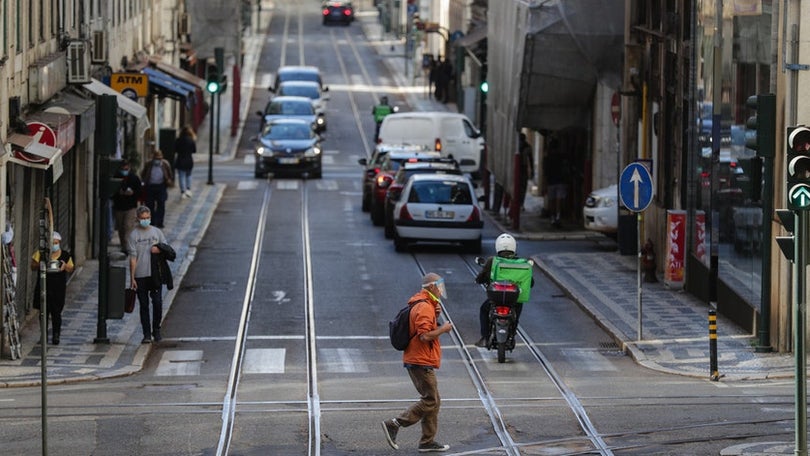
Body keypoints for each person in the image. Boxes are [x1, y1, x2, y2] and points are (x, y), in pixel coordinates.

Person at [381, 272, 453, 453]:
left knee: (434, 401)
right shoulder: (424, 307)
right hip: (420, 360)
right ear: (431, 287)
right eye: (439, 286)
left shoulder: (427, 304)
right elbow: (424, 336)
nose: (441, 290)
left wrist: (435, 316)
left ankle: (427, 442)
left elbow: (425, 329)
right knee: (430, 400)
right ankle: (395, 423)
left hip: (420, 359)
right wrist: (443, 329)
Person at [474, 233, 534, 348]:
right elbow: (530, 282)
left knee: (484, 310)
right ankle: (512, 332)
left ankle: (485, 338)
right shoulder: (522, 263)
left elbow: (482, 277)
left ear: (498, 247)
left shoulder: (493, 261)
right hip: (514, 299)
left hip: (496, 299)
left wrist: (479, 280)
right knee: (517, 310)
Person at [128, 206, 168, 344]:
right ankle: (146, 333)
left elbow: (167, 249)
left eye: (147, 218)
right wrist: (132, 278)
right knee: (143, 305)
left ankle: (156, 329)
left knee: (157, 302)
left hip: (155, 274)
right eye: (143, 218)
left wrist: (159, 249)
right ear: (138, 219)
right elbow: (132, 258)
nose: (145, 220)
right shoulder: (134, 235)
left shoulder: (157, 232)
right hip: (140, 275)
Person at [30, 231, 74, 345]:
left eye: (56, 243)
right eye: (52, 243)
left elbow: (71, 268)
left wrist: (65, 267)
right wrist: (41, 264)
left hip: (58, 290)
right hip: (44, 287)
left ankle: (56, 335)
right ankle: (43, 335)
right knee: (43, 313)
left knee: (56, 313)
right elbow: (33, 266)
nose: (54, 245)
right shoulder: (41, 253)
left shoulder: (65, 255)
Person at [112, 159, 143, 253]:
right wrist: (119, 193)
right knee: (121, 228)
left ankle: (128, 246)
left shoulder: (134, 178)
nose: (124, 170)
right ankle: (124, 245)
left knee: (128, 226)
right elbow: (112, 192)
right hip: (119, 207)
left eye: (126, 168)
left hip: (131, 207)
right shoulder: (116, 177)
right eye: (123, 168)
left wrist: (133, 193)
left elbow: (139, 191)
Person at [140, 150, 173, 228]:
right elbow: (143, 174)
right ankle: (152, 221)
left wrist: (168, 181)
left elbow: (170, 174)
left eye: (159, 158)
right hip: (150, 186)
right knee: (149, 204)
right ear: (153, 158)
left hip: (161, 186)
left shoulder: (165, 164)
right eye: (156, 158)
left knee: (161, 204)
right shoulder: (148, 164)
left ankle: (160, 222)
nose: (157, 160)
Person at [543, 140, 569, 227]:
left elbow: (545, 172)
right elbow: (565, 168)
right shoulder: (562, 157)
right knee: (559, 200)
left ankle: (553, 216)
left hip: (551, 181)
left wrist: (544, 184)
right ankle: (558, 216)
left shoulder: (547, 158)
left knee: (552, 200)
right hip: (560, 181)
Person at [174, 125, 197, 199]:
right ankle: (188, 189)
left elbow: (175, 150)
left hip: (180, 159)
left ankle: (183, 191)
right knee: (188, 175)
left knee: (181, 176)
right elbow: (194, 150)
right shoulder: (191, 140)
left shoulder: (178, 140)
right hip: (189, 160)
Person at [517, 133, 534, 210]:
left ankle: (520, 204)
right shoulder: (526, 147)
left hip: (522, 168)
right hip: (522, 168)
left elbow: (530, 159)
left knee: (522, 187)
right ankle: (520, 204)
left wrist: (532, 169)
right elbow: (531, 159)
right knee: (521, 187)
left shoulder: (526, 147)